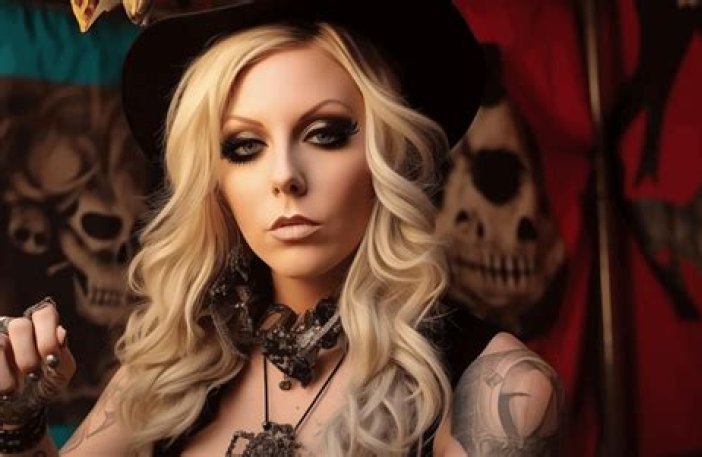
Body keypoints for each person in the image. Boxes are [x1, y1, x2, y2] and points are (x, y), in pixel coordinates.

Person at [0, 0, 563, 455]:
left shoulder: (497, 388)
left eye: (325, 134)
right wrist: (17, 426)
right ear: (216, 181)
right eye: (245, 147)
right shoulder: (171, 368)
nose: (285, 177)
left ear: (389, 156)